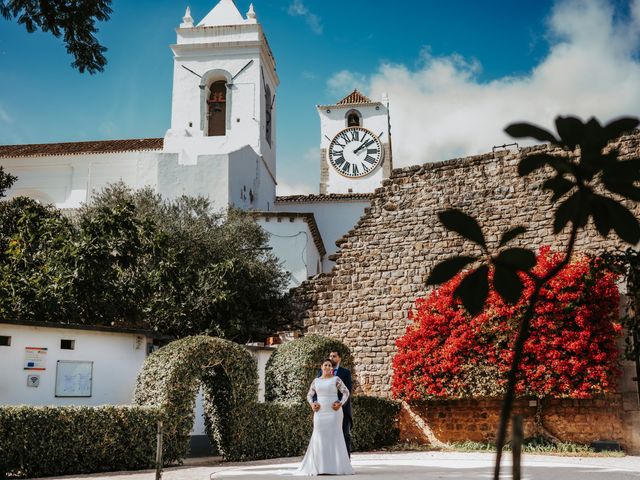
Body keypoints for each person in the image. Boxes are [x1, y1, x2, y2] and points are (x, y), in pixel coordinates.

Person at [295, 359, 354, 476]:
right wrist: (312, 404)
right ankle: (319, 467)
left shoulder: (336, 379)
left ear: (332, 368)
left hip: (334, 413)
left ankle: (335, 467)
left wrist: (340, 403)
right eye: (325, 365)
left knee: (334, 436)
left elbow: (346, 392)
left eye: (329, 365)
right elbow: (309, 395)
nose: (327, 367)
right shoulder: (316, 381)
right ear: (321, 367)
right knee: (319, 436)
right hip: (320, 413)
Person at [322, 351, 353, 456]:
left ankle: (346, 461)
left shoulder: (345, 373)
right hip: (325, 410)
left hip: (342, 409)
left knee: (344, 435)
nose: (331, 358)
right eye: (330, 356)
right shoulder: (320, 372)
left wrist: (339, 403)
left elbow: (348, 391)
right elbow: (317, 390)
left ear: (339, 358)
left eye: (334, 356)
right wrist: (316, 402)